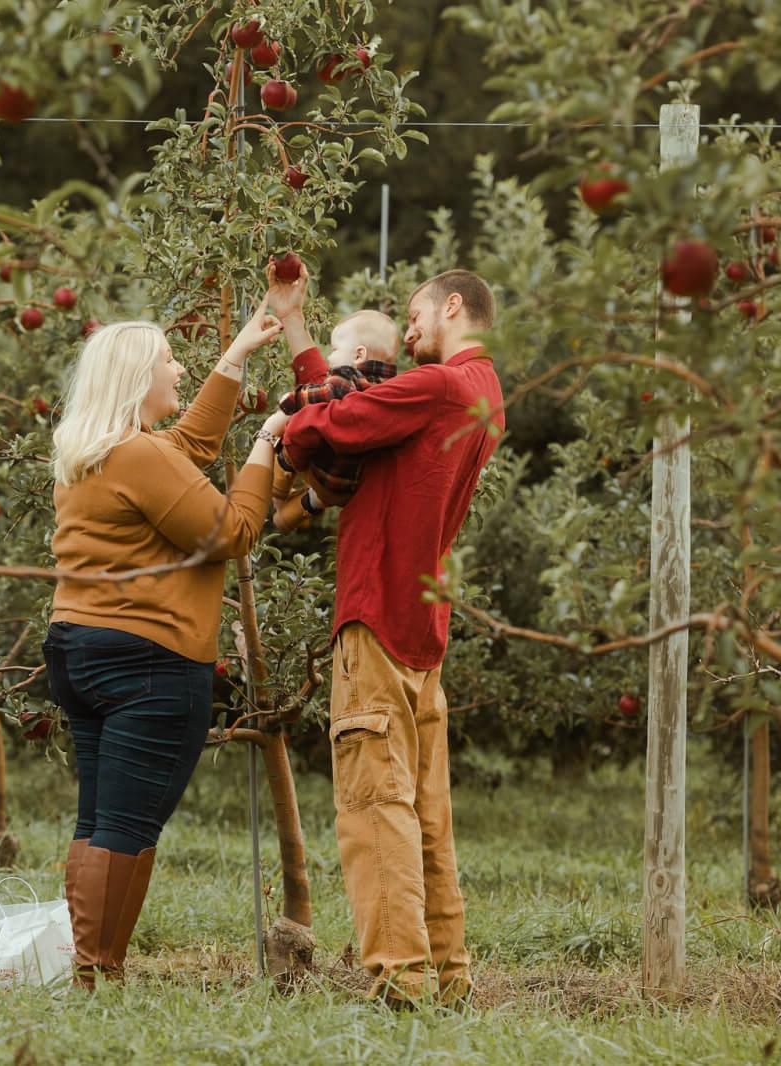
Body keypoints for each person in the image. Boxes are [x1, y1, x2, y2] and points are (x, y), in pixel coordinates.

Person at [267, 263, 504, 1009]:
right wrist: (299, 329)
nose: (406, 332)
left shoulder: (438, 388)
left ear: (454, 306)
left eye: (414, 315)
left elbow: (334, 421)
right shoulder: (485, 397)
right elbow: (363, 406)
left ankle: (398, 979)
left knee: (375, 805)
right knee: (425, 812)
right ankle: (447, 974)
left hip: (373, 614)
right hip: (421, 625)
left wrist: (282, 427)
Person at [42, 308, 288, 989]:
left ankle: (91, 971)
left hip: (79, 649)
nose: (178, 367)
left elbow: (188, 448)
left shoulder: (91, 452)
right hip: (147, 660)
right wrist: (268, 441)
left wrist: (234, 356)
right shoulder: (143, 456)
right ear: (135, 377)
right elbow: (233, 531)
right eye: (168, 360)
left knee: (97, 818)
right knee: (125, 823)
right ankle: (97, 974)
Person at [268, 307, 402, 533]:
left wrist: (290, 400)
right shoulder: (390, 389)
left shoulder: (347, 377)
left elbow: (323, 394)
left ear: (358, 355)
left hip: (323, 469)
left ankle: (279, 490)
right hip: (346, 486)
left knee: (291, 434)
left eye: (335, 349)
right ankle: (289, 517)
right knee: (316, 499)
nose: (329, 356)